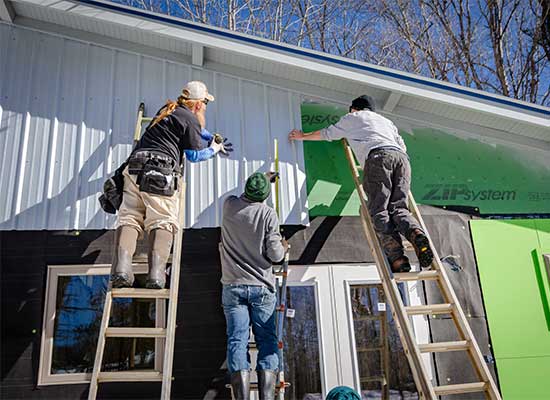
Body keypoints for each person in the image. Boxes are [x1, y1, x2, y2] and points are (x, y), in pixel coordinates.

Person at [289, 95, 434, 272]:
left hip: (378, 158)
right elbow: (402, 147)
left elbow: (328, 133)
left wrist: (302, 136)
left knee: (379, 210)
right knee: (399, 208)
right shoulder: (386, 122)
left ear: (354, 108)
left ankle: (397, 259)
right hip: (402, 160)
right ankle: (416, 234)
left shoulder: (353, 117)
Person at [111, 81, 232, 289]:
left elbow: (194, 129)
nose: (205, 108)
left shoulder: (167, 110)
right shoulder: (191, 119)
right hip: (159, 172)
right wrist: (214, 148)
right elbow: (194, 155)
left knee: (130, 217)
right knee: (162, 220)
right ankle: (156, 276)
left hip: (134, 167)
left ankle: (122, 270)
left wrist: (209, 136)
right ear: (197, 104)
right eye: (205, 104)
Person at [220, 172, 287, 400]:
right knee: (266, 341)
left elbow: (244, 198)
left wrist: (262, 181)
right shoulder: (268, 214)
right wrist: (283, 246)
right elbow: (276, 255)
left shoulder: (229, 206)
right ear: (265, 196)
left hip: (233, 286)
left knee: (237, 340)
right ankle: (266, 396)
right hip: (261, 286)